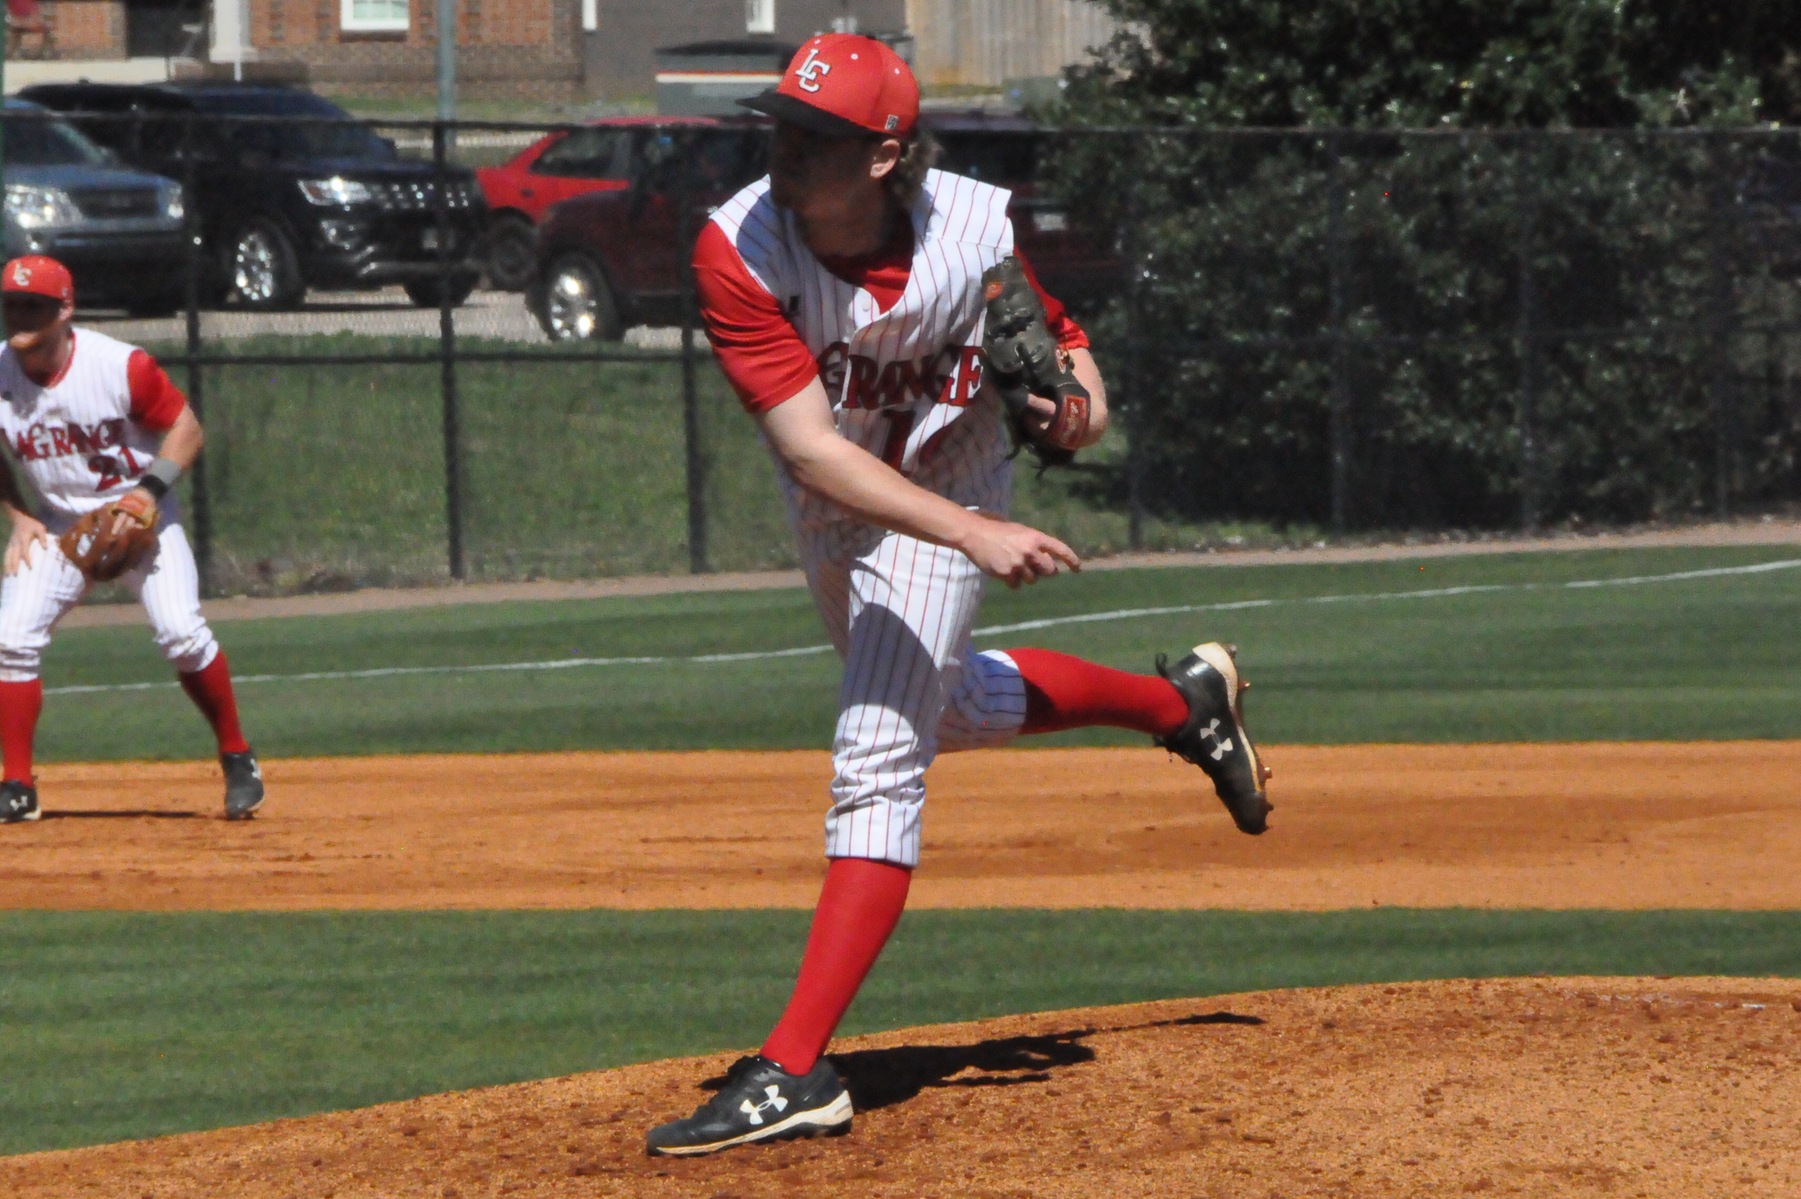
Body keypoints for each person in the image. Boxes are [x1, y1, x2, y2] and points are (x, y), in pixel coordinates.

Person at [645, 36, 1271, 1156]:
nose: (785, 149)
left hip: (951, 473)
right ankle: (1181, 705)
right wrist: (972, 535)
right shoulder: (738, 245)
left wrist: (1068, 415)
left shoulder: (975, 231)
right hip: (850, 498)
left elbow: (1074, 369)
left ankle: (795, 1066)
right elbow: (811, 452)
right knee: (950, 710)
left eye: (817, 138)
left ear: (886, 153)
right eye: (780, 125)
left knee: (880, 747)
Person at [0, 255, 263, 824]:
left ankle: (238, 758)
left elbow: (187, 427)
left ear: (64, 309)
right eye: (10, 304)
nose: (18, 316)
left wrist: (146, 494)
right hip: (60, 522)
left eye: (33, 305)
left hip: (143, 517)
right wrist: (19, 516)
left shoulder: (120, 366)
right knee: (10, 638)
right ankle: (17, 787)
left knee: (181, 633)